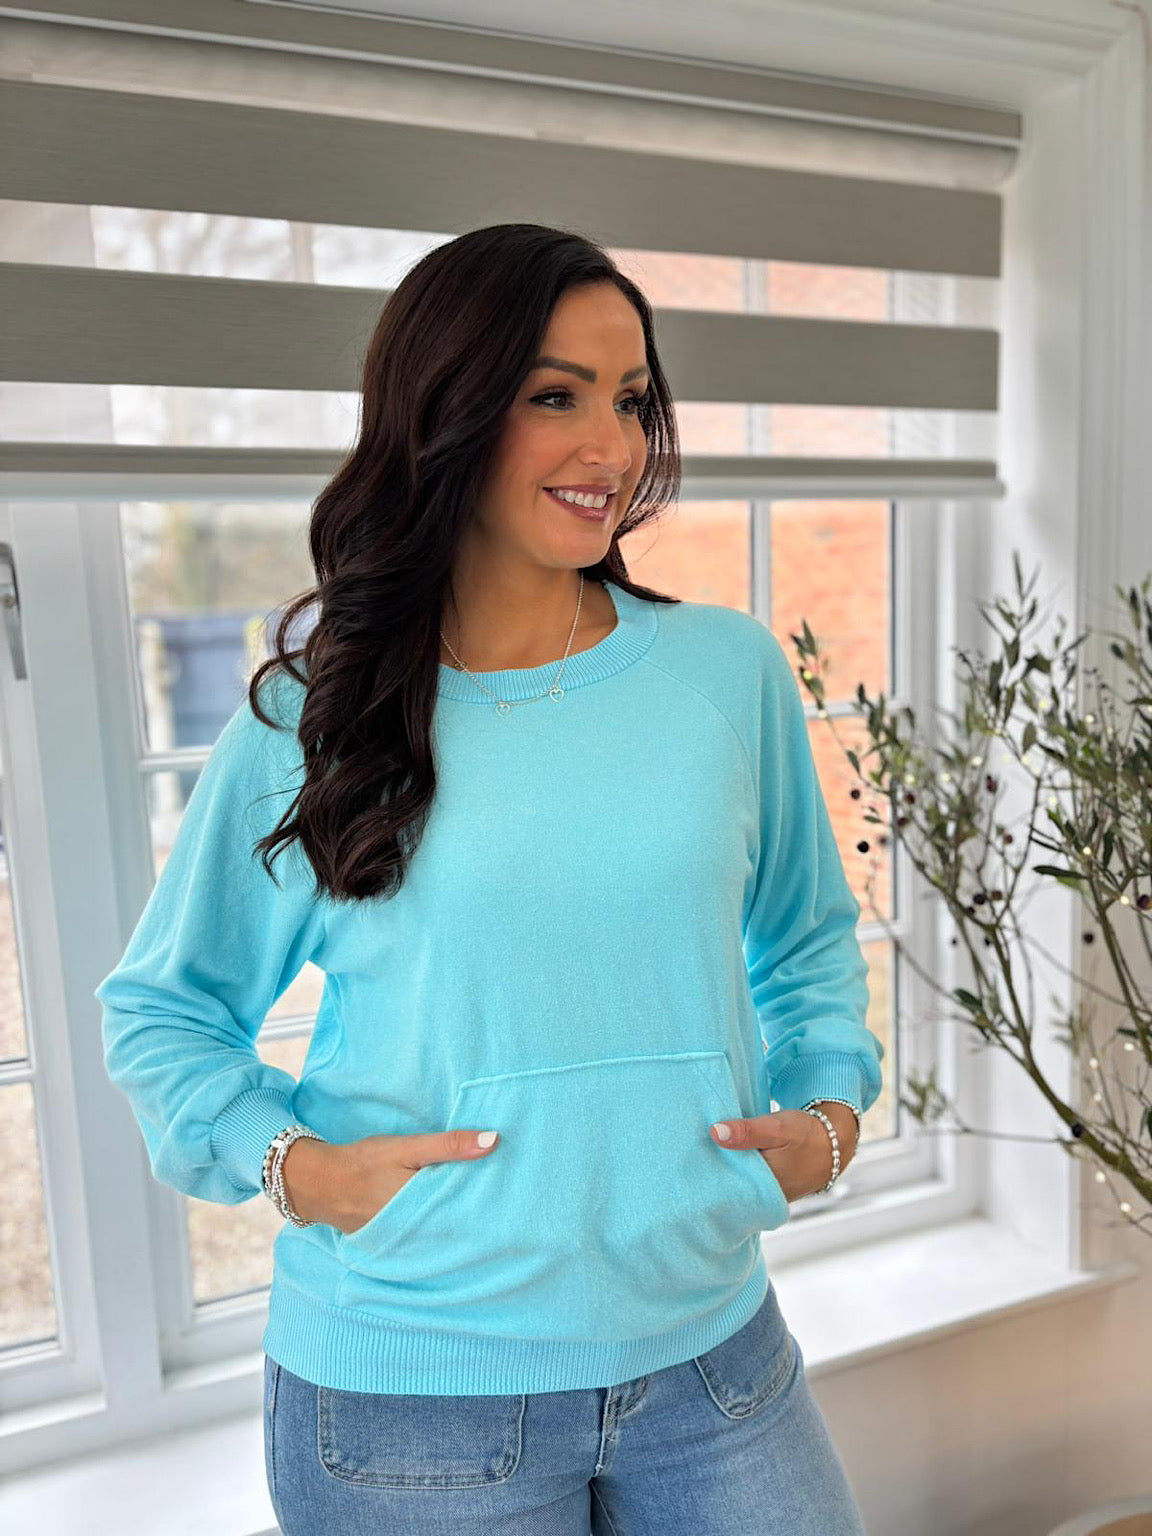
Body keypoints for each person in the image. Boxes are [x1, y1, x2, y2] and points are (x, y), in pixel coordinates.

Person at [95, 223, 885, 1535]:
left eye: (630, 400)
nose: (611, 447)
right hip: (410, 1400)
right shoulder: (318, 718)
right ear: (446, 411)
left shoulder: (724, 674)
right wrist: (296, 1169)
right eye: (555, 397)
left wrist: (832, 1113)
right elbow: (164, 1011)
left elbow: (804, 940)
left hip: (714, 1358)